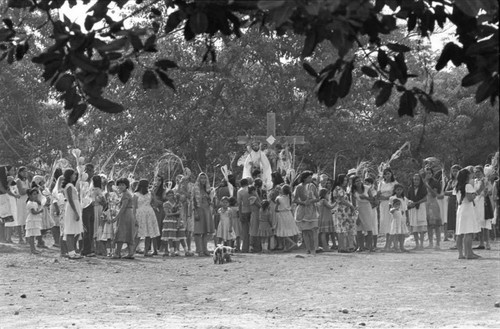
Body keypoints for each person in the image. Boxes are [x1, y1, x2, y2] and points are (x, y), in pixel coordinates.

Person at [455, 169, 481, 259]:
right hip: (467, 208)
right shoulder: (468, 185)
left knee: (460, 232)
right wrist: (475, 194)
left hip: (460, 208)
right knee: (468, 232)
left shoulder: (457, 186)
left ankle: (461, 254)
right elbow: (470, 198)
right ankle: (469, 253)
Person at [294, 171, 320, 255]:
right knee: (305, 230)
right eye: (309, 177)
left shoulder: (312, 186)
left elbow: (318, 198)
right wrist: (303, 203)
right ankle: (308, 248)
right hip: (302, 210)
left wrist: (311, 201)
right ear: (304, 178)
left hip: (311, 209)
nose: (311, 179)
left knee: (313, 229)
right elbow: (295, 199)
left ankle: (314, 247)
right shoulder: (298, 187)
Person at [134, 179, 160, 257]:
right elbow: (134, 206)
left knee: (148, 232)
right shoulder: (136, 195)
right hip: (140, 213)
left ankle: (146, 251)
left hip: (149, 213)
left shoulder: (150, 194)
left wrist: (154, 195)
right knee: (138, 233)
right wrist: (134, 217)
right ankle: (133, 250)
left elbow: (155, 203)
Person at [112, 178, 137, 259]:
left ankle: (117, 253)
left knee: (121, 232)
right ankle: (130, 253)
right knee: (129, 233)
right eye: (119, 185)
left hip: (125, 214)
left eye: (123, 185)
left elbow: (123, 207)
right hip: (128, 214)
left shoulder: (125, 194)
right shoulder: (125, 193)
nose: (121, 186)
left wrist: (116, 217)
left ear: (126, 185)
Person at [62, 169, 83, 259]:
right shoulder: (69, 186)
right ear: (70, 175)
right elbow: (70, 199)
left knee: (76, 231)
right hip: (72, 208)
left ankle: (73, 250)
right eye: (74, 175)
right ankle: (71, 252)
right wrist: (75, 211)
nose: (75, 176)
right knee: (70, 231)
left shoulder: (71, 185)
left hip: (75, 206)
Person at [192, 172, 214, 256]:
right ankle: (199, 250)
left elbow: (211, 202)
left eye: (205, 178)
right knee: (198, 232)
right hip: (198, 210)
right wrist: (195, 212)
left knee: (206, 231)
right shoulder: (195, 188)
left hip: (207, 210)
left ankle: (205, 249)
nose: (203, 180)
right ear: (198, 179)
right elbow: (192, 200)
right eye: (201, 178)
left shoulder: (208, 190)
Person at [332, 174, 356, 253]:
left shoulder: (340, 189)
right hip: (342, 210)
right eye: (344, 180)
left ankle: (345, 246)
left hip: (344, 210)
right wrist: (351, 206)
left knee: (344, 228)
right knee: (342, 229)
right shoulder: (339, 188)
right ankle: (342, 247)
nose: (346, 182)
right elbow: (342, 200)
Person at [351, 176, 374, 252]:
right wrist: (356, 215)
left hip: (367, 208)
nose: (359, 182)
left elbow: (373, 199)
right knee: (359, 228)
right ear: (354, 183)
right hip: (359, 209)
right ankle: (360, 246)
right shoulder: (353, 191)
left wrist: (365, 197)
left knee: (369, 227)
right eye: (356, 181)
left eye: (359, 180)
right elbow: (353, 204)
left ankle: (368, 246)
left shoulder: (367, 188)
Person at [274, 184, 300, 251]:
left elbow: (276, 209)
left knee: (283, 232)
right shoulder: (289, 197)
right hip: (289, 214)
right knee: (288, 231)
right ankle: (287, 247)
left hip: (282, 215)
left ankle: (292, 243)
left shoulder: (278, 198)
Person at [377, 168, 398, 251]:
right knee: (385, 223)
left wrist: (387, 197)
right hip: (383, 205)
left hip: (391, 204)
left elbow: (397, 193)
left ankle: (392, 243)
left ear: (391, 174)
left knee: (391, 223)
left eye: (389, 173)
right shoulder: (381, 183)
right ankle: (387, 243)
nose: (387, 175)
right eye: (385, 174)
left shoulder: (394, 183)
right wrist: (380, 197)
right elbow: (378, 194)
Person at [423, 167, 442, 250]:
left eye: (430, 173)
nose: (428, 175)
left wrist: (428, 186)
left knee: (436, 225)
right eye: (426, 173)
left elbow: (435, 194)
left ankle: (437, 243)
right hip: (425, 204)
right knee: (428, 225)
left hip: (433, 203)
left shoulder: (435, 182)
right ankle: (430, 242)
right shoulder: (422, 182)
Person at [407, 173, 427, 250]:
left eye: (417, 179)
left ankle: (421, 244)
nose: (415, 181)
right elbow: (408, 198)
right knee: (414, 227)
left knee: (421, 227)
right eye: (414, 179)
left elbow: (425, 198)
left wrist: (417, 202)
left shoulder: (423, 188)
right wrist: (410, 203)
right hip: (413, 209)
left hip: (421, 207)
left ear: (420, 180)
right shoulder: (410, 188)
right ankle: (417, 244)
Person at [162, 189, 184, 257]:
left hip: (176, 220)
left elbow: (180, 213)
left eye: (172, 195)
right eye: (168, 196)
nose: (170, 197)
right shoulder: (166, 204)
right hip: (169, 221)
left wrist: (179, 219)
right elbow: (167, 214)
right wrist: (175, 213)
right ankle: (169, 250)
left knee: (176, 236)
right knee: (168, 236)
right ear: (166, 196)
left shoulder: (178, 203)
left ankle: (176, 250)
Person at [80, 164, 96, 257]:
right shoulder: (82, 182)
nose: (91, 173)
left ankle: (89, 248)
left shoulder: (92, 182)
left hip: (91, 207)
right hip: (84, 207)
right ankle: (85, 249)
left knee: (91, 230)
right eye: (89, 171)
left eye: (92, 171)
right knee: (86, 230)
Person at [389, 185, 409, 252]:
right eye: (398, 189)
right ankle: (395, 247)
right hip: (395, 218)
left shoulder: (404, 199)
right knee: (396, 233)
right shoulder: (392, 198)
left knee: (402, 233)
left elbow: (406, 209)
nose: (399, 191)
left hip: (402, 218)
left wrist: (407, 218)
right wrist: (395, 210)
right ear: (395, 190)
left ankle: (402, 246)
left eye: (401, 189)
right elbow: (390, 208)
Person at [444, 165, 460, 246]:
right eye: (453, 171)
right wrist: (452, 191)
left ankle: (459, 241)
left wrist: (452, 192)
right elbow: (445, 191)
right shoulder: (450, 181)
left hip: (458, 201)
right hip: (451, 201)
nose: (455, 172)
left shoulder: (461, 181)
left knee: (458, 220)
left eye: (456, 171)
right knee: (452, 220)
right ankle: (455, 239)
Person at [25, 188, 44, 254]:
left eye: (36, 194)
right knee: (31, 236)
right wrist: (40, 211)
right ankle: (32, 249)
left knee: (33, 235)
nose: (36, 196)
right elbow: (33, 212)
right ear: (30, 195)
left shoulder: (34, 203)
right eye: (34, 194)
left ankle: (34, 249)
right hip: (31, 220)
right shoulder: (30, 203)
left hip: (35, 220)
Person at [15, 166, 30, 244]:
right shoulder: (18, 180)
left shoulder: (27, 180)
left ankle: (26, 237)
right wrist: (27, 190)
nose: (25, 173)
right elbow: (21, 192)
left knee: (26, 219)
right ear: (20, 172)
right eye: (24, 171)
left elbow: (29, 190)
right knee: (20, 219)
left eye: (26, 171)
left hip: (27, 200)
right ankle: (20, 238)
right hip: (21, 201)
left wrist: (27, 190)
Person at [237, 178, 251, 253]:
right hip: (251, 211)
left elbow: (239, 203)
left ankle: (245, 248)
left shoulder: (240, 191)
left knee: (245, 230)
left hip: (244, 211)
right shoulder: (251, 189)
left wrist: (239, 213)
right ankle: (252, 246)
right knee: (251, 230)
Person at [248, 184, 262, 252]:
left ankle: (255, 245)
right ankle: (252, 246)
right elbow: (260, 205)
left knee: (255, 230)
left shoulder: (252, 197)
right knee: (254, 230)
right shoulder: (253, 198)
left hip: (255, 214)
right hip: (255, 214)